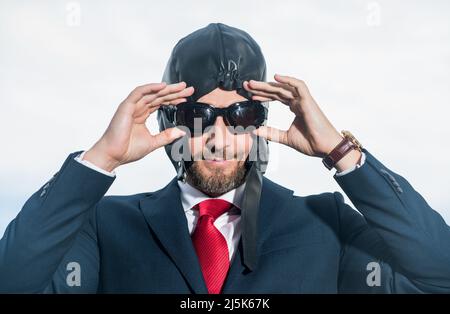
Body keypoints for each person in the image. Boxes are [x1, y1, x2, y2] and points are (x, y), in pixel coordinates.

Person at [1, 23, 449, 294]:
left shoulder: (323, 224)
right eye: (197, 116)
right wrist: (101, 158)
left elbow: (440, 275)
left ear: (261, 121)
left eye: (241, 115)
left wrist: (341, 151)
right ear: (165, 122)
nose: (219, 139)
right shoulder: (106, 226)